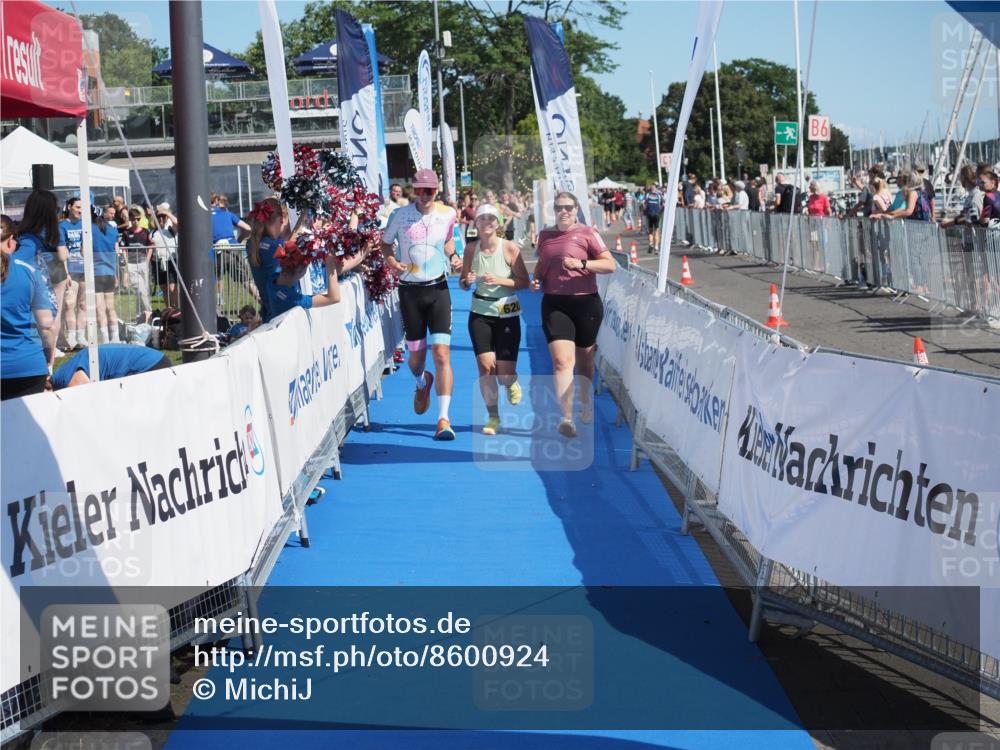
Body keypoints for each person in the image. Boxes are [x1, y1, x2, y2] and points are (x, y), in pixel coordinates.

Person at [380, 169, 463, 441]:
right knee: (416, 360)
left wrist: (455, 256)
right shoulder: (399, 216)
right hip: (410, 293)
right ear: (414, 190)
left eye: (431, 191)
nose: (426, 196)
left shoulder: (448, 213)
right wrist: (392, 262)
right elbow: (385, 245)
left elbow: (449, 240)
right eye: (421, 190)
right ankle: (421, 382)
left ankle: (443, 419)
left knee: (442, 354)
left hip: (438, 290)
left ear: (437, 191)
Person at [531, 191, 616, 438]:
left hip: (586, 303)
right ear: (553, 210)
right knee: (562, 362)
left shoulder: (588, 233)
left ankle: (585, 399)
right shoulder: (545, 235)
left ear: (577, 209)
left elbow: (610, 265)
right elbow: (541, 265)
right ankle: (566, 417)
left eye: (568, 207)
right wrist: (536, 280)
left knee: (585, 361)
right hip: (555, 304)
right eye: (559, 207)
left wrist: (582, 264)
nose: (564, 212)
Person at [459, 204, 529, 435]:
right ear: (475, 223)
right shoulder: (471, 249)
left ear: (498, 224)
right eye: (482, 219)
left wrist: (500, 279)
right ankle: (493, 417)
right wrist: (467, 281)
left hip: (506, 314)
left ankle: (511, 382)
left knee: (504, 374)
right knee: (485, 367)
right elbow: (463, 283)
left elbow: (523, 282)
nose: (487, 222)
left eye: (491, 219)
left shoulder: (509, 248)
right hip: (480, 313)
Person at [1, 220, 56, 400]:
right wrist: (49, 356)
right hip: (27, 365)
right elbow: (46, 325)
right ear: (10, 240)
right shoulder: (28, 271)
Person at [13, 190, 61, 364]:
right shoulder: (28, 242)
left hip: (40, 315)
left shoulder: (35, 239)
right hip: (36, 319)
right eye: (56, 210)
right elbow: (13, 267)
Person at [267, 244, 341, 319]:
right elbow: (334, 298)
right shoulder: (293, 299)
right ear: (300, 271)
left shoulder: (271, 281)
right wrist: (331, 264)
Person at [51, 343, 172, 389]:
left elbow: (85, 396)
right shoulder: (65, 372)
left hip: (149, 365)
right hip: (156, 360)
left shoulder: (63, 377)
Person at [246, 198, 287, 322]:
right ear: (281, 219)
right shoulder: (274, 246)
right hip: (282, 311)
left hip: (269, 311)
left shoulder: (251, 243)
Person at [59, 197, 88, 350]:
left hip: (84, 269)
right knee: (69, 304)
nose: (80, 210)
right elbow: (62, 251)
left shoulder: (85, 225)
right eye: (77, 207)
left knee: (83, 304)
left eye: (82, 208)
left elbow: (86, 249)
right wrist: (66, 273)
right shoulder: (62, 226)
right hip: (70, 270)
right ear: (69, 207)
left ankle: (81, 336)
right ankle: (70, 337)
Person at [90, 205, 121, 343]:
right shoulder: (113, 231)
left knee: (100, 308)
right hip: (110, 272)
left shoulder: (89, 230)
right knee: (110, 307)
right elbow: (116, 251)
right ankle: (116, 338)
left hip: (96, 272)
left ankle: (105, 339)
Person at [122, 208, 154, 323]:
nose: (135, 221)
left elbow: (151, 246)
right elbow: (124, 248)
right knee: (140, 290)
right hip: (131, 264)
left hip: (143, 263)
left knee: (145, 290)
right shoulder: (126, 233)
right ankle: (150, 312)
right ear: (130, 219)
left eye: (138, 219)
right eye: (133, 219)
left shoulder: (145, 232)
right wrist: (126, 263)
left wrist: (147, 259)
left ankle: (140, 314)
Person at [151, 202, 180, 308]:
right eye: (159, 217)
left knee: (173, 288)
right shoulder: (153, 232)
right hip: (158, 262)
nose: (161, 219)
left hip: (171, 261)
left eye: (163, 217)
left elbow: (178, 223)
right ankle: (169, 310)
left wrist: (167, 213)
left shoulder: (171, 229)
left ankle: (176, 309)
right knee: (164, 289)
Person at [644, 185, 663, 253]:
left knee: (651, 230)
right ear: (655, 189)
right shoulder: (659, 195)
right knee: (657, 231)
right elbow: (662, 204)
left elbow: (644, 204)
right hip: (657, 214)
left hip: (650, 214)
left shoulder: (647, 195)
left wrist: (645, 212)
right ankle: (656, 247)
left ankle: (651, 243)